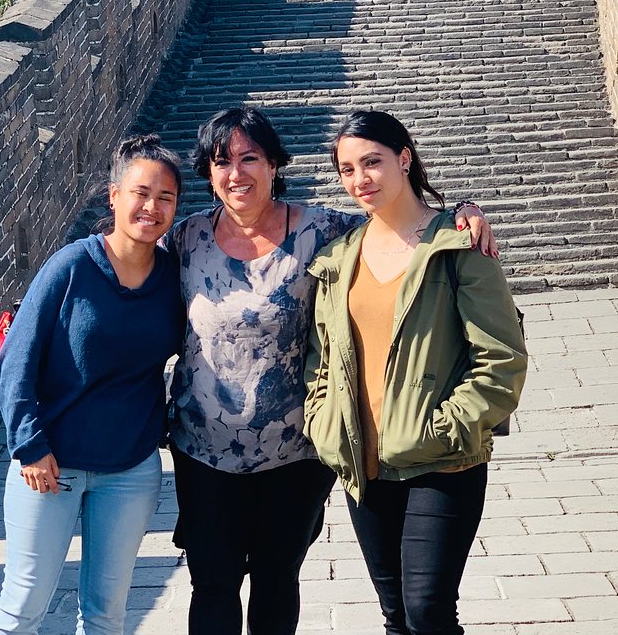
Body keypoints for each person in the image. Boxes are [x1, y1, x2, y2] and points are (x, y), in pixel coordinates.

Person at [165, 106, 495, 635]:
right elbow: (125, 259)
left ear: (275, 164)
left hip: (297, 453)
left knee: (278, 582)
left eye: (250, 158)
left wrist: (464, 211)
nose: (236, 173)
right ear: (207, 172)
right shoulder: (184, 241)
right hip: (204, 452)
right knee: (213, 586)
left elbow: (398, 218)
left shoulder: (324, 231)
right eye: (220, 161)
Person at [305, 110, 527, 635]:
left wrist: (448, 426)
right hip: (366, 464)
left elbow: (502, 359)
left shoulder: (457, 245)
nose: (361, 179)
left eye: (373, 162)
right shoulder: (339, 257)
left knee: (429, 610)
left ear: (404, 158)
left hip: (442, 462)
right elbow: (323, 360)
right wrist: (324, 422)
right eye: (347, 169)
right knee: (397, 617)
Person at [0, 134, 187, 635]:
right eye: (141, 193)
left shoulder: (174, 276)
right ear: (114, 196)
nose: (152, 206)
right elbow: (15, 362)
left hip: (131, 468)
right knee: (22, 607)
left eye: (166, 197)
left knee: (106, 614)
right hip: (50, 465)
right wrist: (30, 446)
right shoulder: (72, 265)